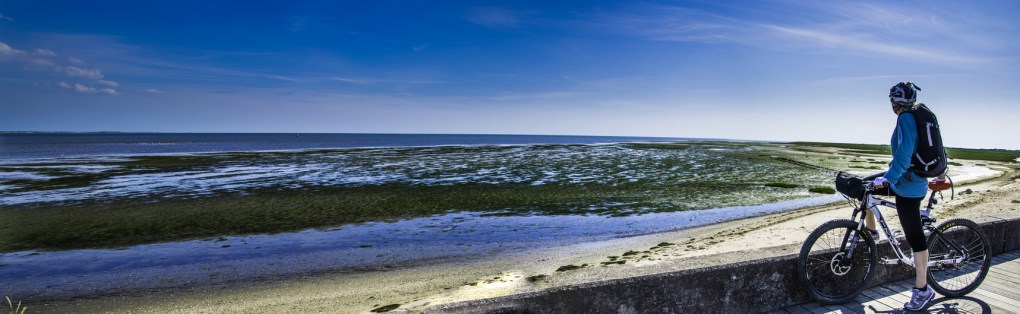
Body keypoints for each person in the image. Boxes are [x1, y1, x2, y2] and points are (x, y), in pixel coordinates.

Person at [861, 82, 946, 311]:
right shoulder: (919, 114)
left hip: (909, 186)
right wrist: (887, 177)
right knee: (864, 189)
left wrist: (888, 178)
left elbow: (904, 155)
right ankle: (871, 233)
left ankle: (923, 290)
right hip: (905, 180)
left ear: (894, 102)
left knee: (915, 238)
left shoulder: (907, 118)